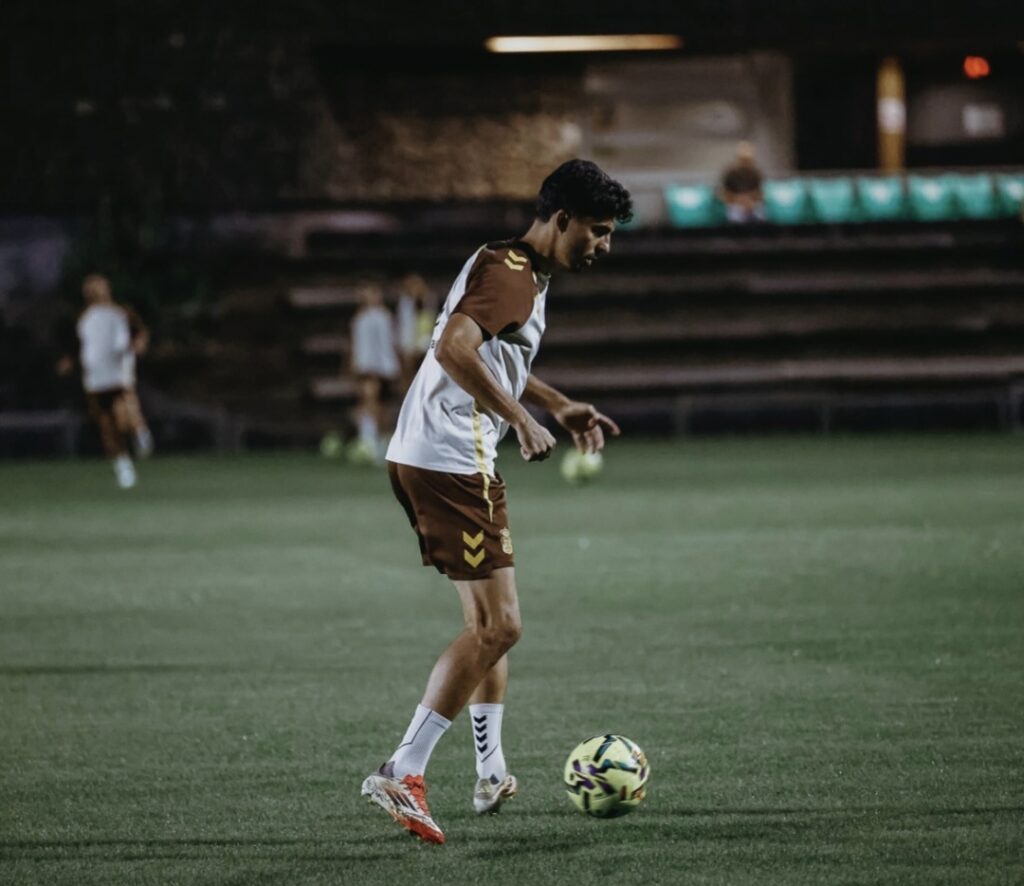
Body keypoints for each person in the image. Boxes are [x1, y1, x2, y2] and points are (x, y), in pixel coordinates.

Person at [361, 159, 631, 844]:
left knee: (487, 621)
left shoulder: (508, 265)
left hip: (431, 453)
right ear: (561, 219)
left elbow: (490, 351)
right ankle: (404, 769)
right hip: (453, 461)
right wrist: (519, 418)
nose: (604, 246)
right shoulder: (514, 276)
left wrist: (557, 404)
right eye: (597, 231)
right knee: (499, 626)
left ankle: (489, 769)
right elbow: (454, 348)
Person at [60, 274, 153, 489]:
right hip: (95, 379)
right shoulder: (84, 318)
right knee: (107, 426)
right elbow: (81, 346)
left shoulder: (121, 312)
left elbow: (141, 332)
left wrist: (138, 344)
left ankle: (140, 432)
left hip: (118, 374)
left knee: (126, 413)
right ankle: (123, 467)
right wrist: (70, 362)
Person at [349, 282, 400, 463]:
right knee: (368, 400)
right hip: (367, 367)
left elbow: (389, 342)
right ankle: (368, 441)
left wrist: (392, 366)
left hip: (383, 367)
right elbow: (356, 345)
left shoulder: (383, 316)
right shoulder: (360, 318)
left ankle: (379, 441)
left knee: (381, 406)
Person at [394, 273, 436, 391]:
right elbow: (403, 326)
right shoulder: (405, 304)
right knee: (407, 366)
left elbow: (427, 326)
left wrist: (420, 346)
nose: (413, 288)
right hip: (408, 346)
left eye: (416, 285)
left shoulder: (428, 301)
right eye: (410, 286)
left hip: (424, 344)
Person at [718, 141, 766, 223]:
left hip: (752, 205)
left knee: (761, 212)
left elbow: (760, 194)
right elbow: (724, 193)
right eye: (743, 159)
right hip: (734, 204)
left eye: (748, 160)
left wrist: (750, 201)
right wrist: (737, 200)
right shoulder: (730, 173)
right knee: (734, 214)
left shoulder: (756, 174)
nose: (746, 162)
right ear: (738, 159)